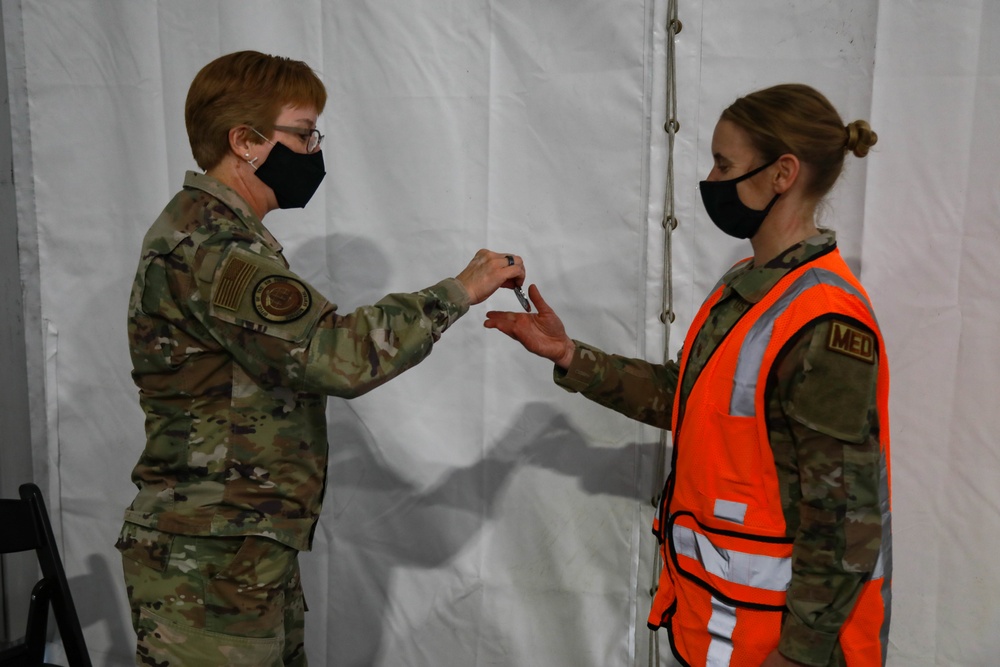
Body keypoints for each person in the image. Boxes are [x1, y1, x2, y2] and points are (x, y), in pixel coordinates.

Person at [116, 50, 526, 667]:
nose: (313, 150)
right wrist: (459, 290)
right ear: (245, 142)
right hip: (207, 562)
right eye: (303, 134)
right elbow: (336, 355)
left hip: (234, 551)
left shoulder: (213, 236)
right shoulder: (212, 247)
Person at [485, 84, 891, 667]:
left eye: (725, 163)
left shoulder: (824, 322)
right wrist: (570, 354)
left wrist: (799, 657)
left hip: (777, 647)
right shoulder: (747, 286)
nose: (711, 177)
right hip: (718, 628)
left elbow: (846, 521)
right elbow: (686, 399)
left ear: (783, 173)